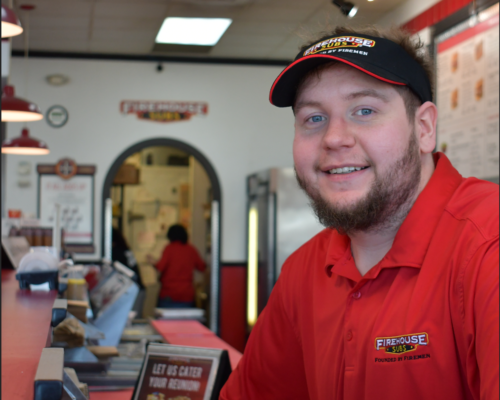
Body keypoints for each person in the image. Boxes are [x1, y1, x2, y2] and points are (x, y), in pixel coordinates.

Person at [220, 26, 498, 399]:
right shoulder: (304, 271)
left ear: (425, 128)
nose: (334, 138)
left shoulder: (487, 245)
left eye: (364, 111)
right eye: (313, 118)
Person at [147, 224, 206, 308]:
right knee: (186, 321)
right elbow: (202, 267)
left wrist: (152, 261)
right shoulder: (191, 249)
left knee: (165, 320)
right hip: (187, 294)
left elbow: (160, 267)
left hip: (169, 294)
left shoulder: (169, 249)